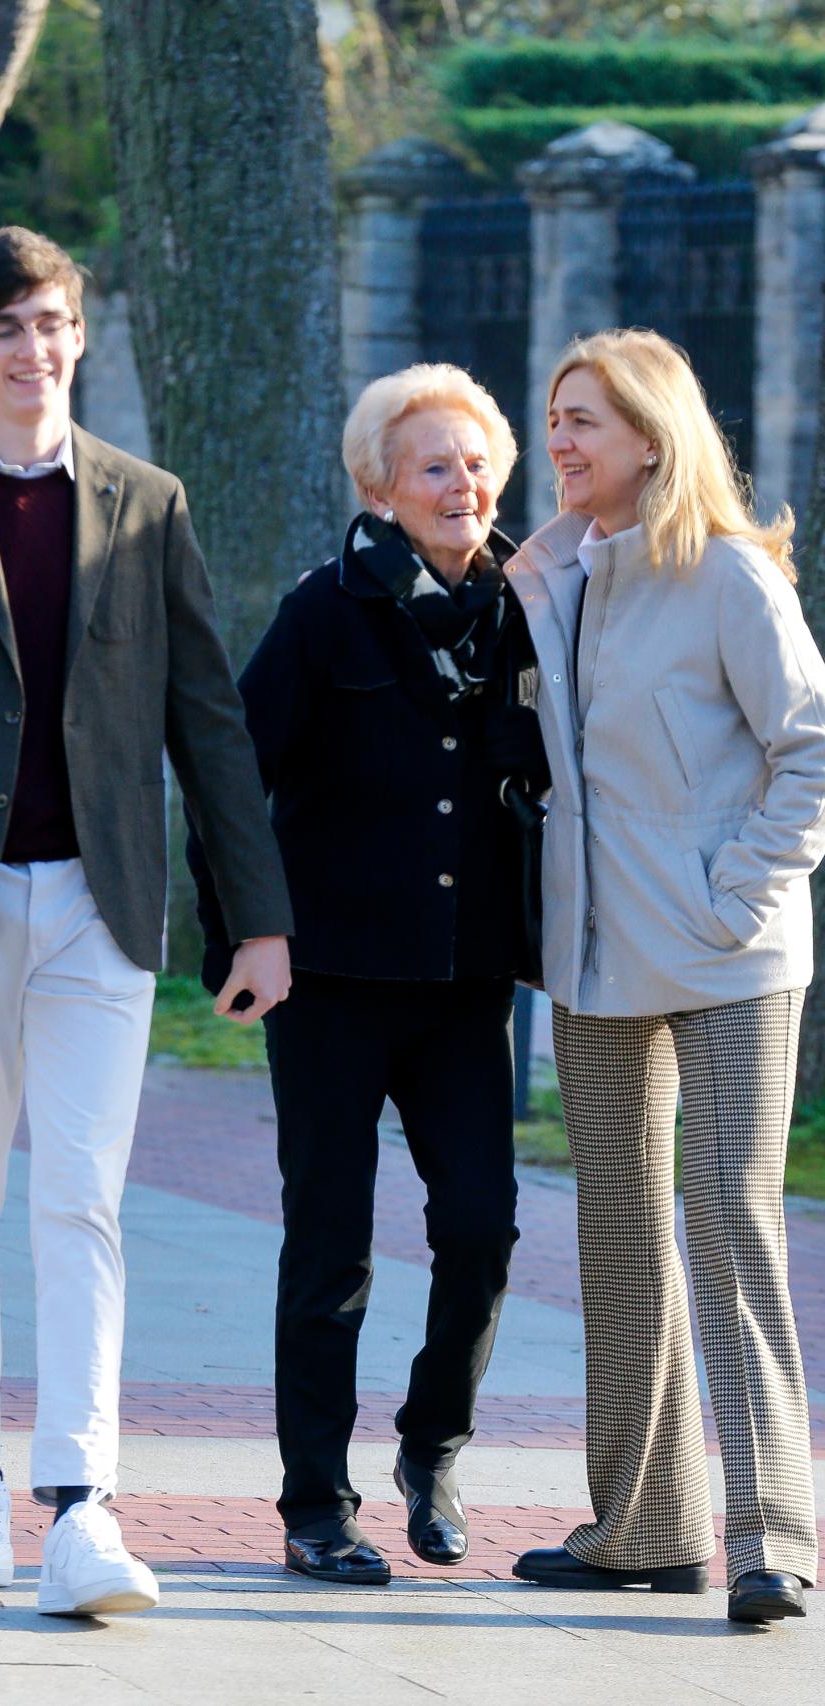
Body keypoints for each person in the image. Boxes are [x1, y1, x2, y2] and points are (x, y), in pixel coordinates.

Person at [0, 226, 293, 1616]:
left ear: (79, 334)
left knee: (82, 1204)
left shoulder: (145, 500)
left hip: (103, 910)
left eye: (51, 323)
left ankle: (82, 1503)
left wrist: (258, 918)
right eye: (4, 326)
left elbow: (208, 722)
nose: (32, 349)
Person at [189, 363, 550, 1584]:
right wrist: (253, 928)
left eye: (479, 460)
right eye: (435, 464)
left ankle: (432, 1448)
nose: (464, 483)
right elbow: (232, 776)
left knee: (485, 1228)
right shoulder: (322, 612)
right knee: (330, 1243)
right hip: (333, 981)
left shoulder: (530, 605)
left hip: (468, 987)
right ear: (380, 486)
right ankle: (315, 1504)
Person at [506, 327, 825, 1623]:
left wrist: (735, 892)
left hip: (733, 955)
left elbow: (809, 747)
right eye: (555, 418)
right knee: (623, 1235)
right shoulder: (558, 576)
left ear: (653, 433)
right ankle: (644, 1524)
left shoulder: (734, 578)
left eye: (585, 419)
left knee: (730, 1220)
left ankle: (773, 1536)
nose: (562, 443)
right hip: (591, 956)